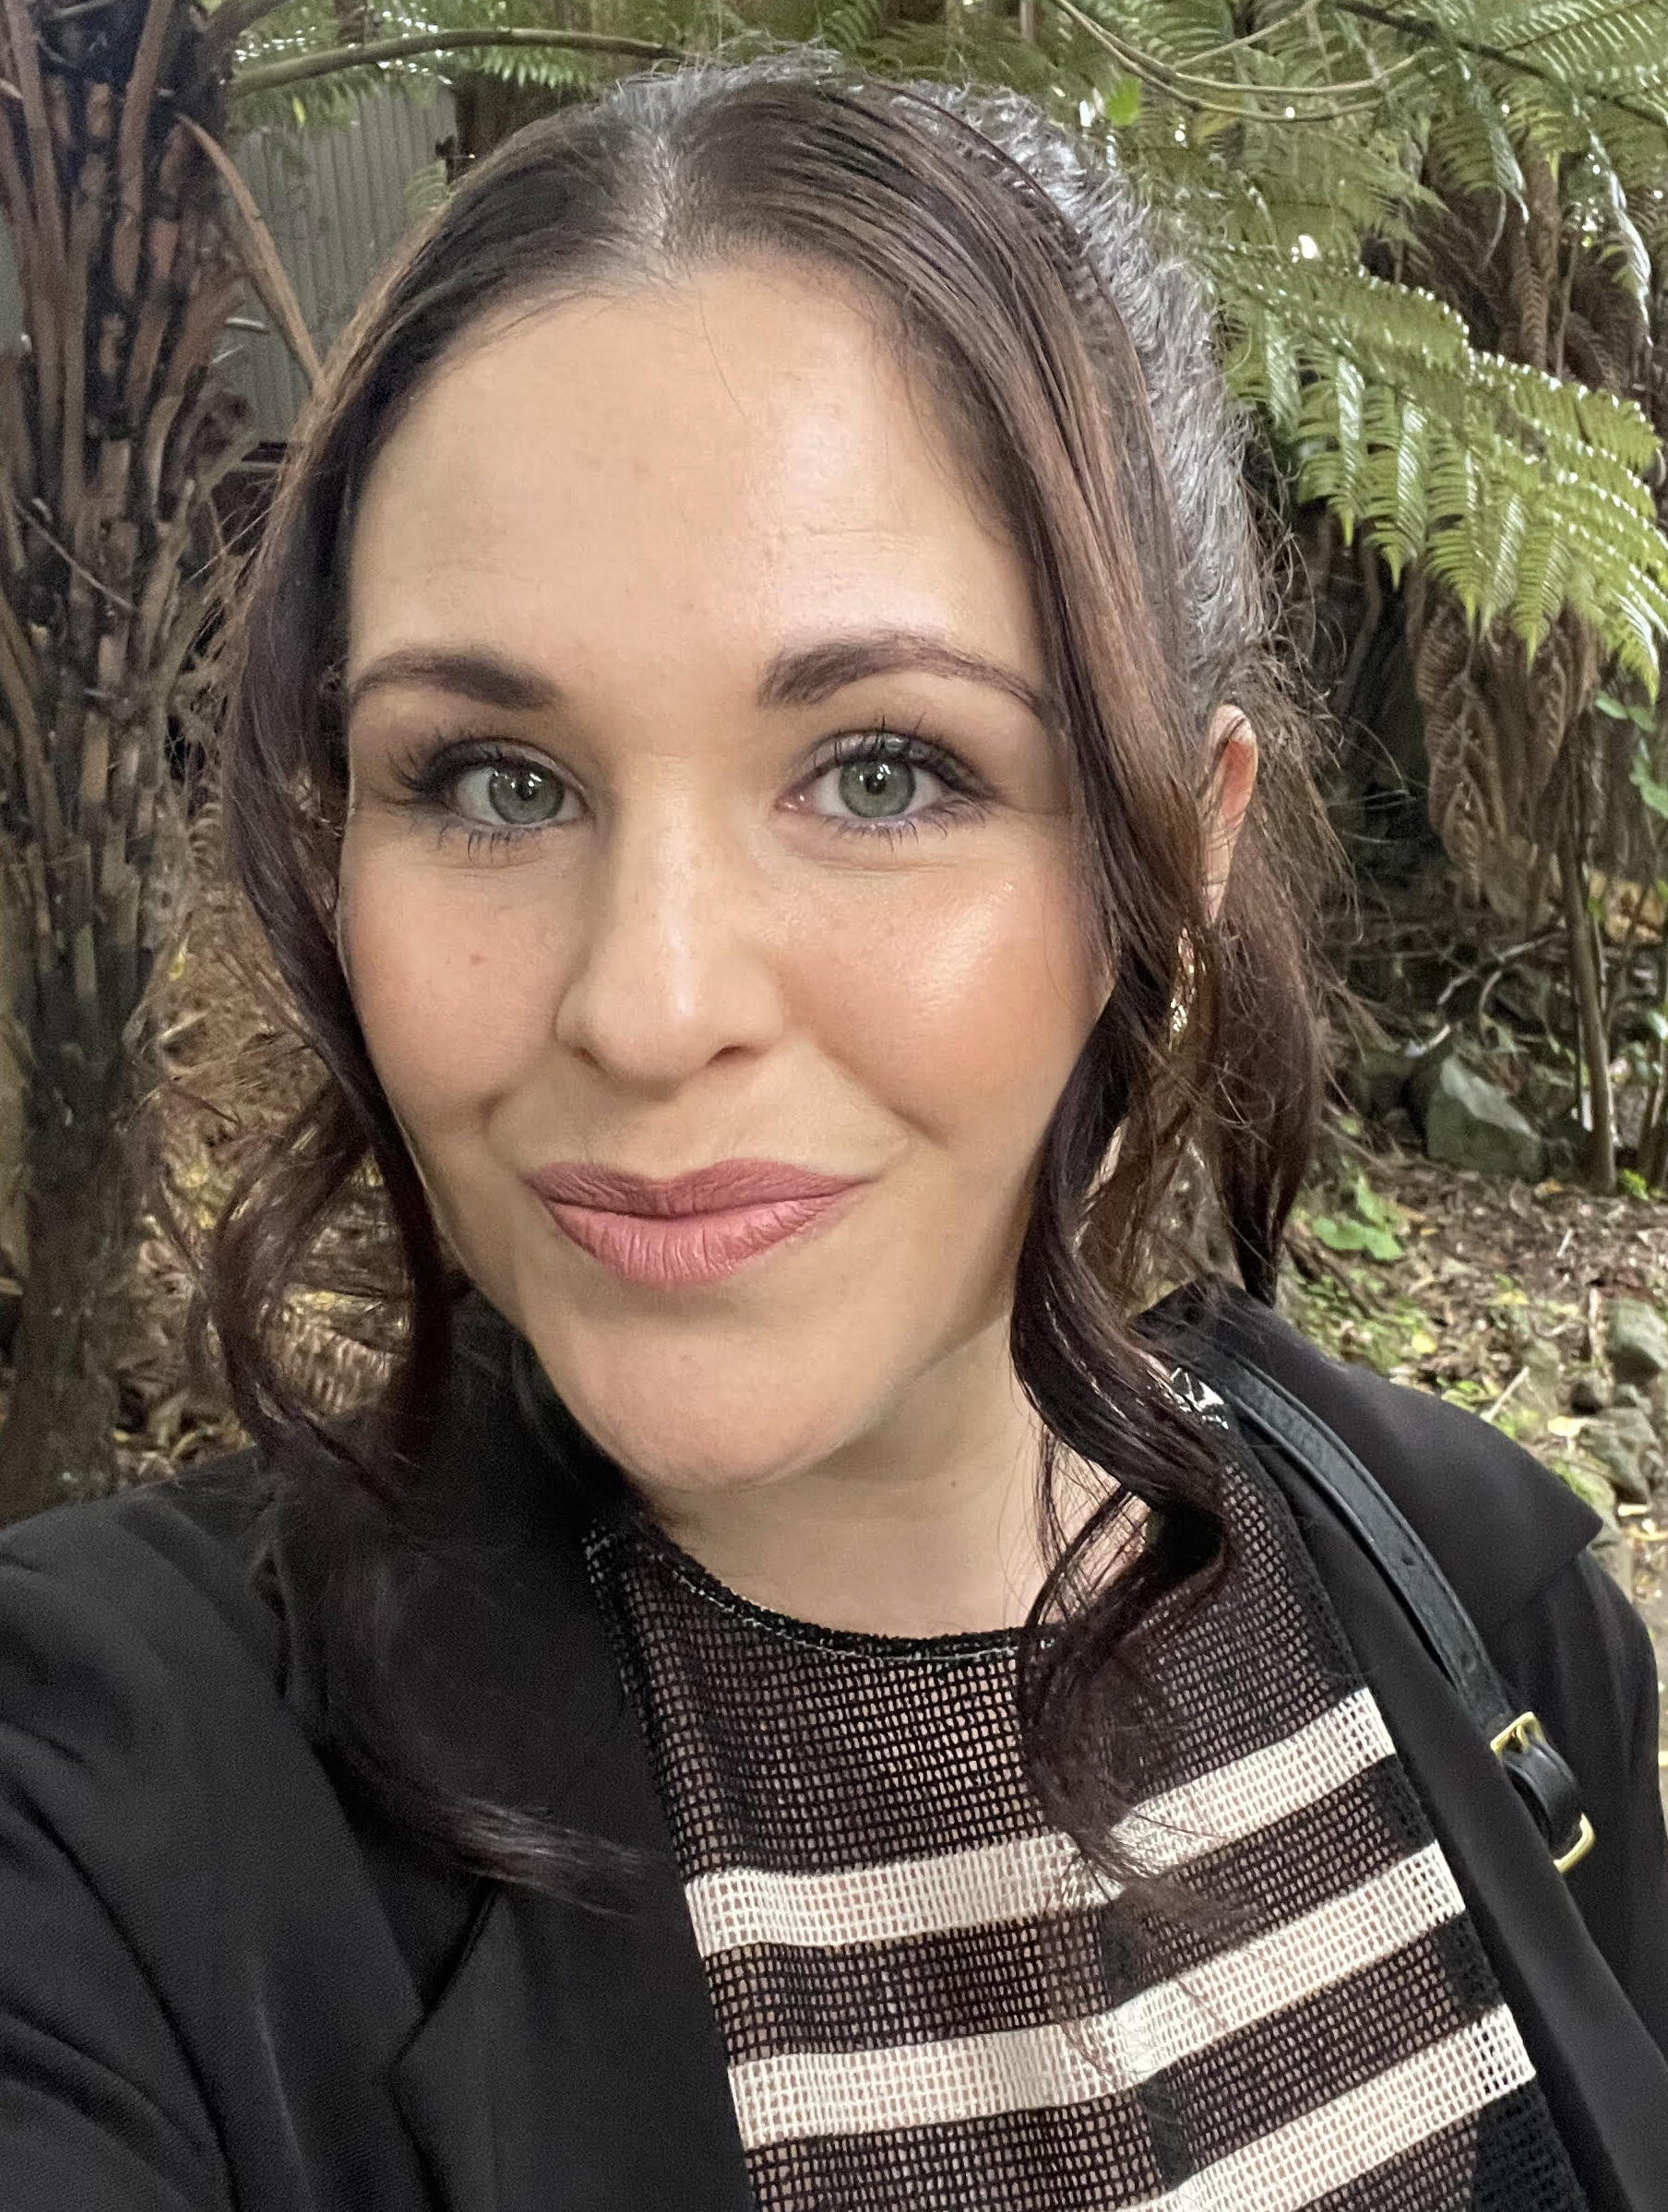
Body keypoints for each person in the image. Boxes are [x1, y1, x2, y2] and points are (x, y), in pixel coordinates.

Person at [2, 49, 1665, 2212]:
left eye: (884, 770)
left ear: (1176, 847)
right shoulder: (110, 1812)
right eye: (494, 779)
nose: (645, 1002)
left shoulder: (1484, 1588)